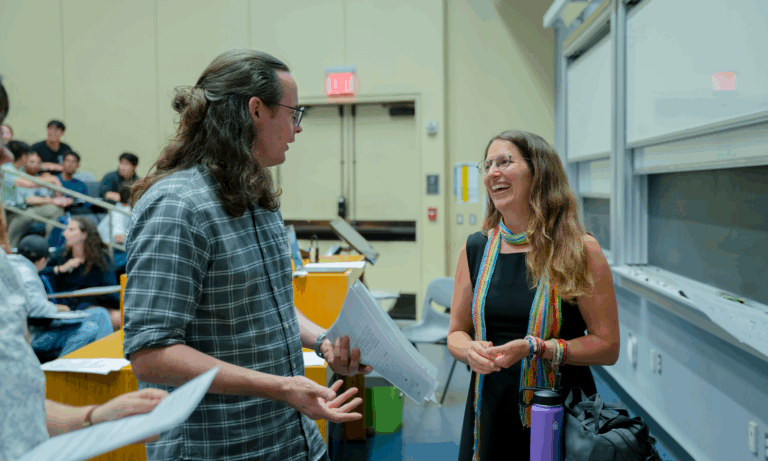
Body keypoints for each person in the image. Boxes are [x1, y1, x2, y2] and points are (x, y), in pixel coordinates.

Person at [124, 49, 371, 461]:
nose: (298, 128)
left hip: (290, 439)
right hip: (219, 447)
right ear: (257, 110)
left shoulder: (255, 194)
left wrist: (324, 343)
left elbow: (269, 308)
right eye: (295, 113)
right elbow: (152, 355)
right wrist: (281, 387)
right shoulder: (178, 206)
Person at [0, 77, 169, 461]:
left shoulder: (6, 270)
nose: (7, 157)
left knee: (95, 317)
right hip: (60, 314)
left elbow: (18, 411)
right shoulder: (49, 258)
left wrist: (99, 415)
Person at [448, 130, 620, 461]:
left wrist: (536, 348)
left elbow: (607, 345)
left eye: (505, 162)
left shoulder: (579, 249)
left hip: (557, 410)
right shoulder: (477, 248)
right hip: (490, 407)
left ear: (538, 172)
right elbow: (456, 333)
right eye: (488, 165)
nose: (492, 173)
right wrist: (469, 350)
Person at [8, 234, 113, 362]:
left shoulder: (12, 264)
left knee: (99, 314)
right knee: (89, 328)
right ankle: (58, 374)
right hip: (30, 335)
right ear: (41, 261)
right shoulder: (27, 276)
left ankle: (104, 361)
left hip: (28, 327)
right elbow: (36, 310)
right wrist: (58, 309)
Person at [42, 217, 121, 330]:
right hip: (69, 305)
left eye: (71, 230)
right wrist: (60, 269)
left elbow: (111, 291)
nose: (65, 234)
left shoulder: (101, 259)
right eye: (66, 229)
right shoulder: (60, 256)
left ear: (84, 234)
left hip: (96, 304)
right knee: (106, 316)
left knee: (122, 316)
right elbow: (37, 270)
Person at [2, 140, 71, 248]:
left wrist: (54, 198)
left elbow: (30, 194)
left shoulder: (20, 169)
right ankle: (9, 249)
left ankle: (51, 246)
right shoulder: (6, 168)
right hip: (9, 210)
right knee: (22, 220)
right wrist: (51, 180)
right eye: (30, 157)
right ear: (24, 156)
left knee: (56, 209)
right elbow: (28, 184)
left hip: (22, 208)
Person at [58, 151, 95, 217]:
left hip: (80, 211)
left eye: (73, 162)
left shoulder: (80, 185)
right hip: (62, 210)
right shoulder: (55, 180)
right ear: (62, 163)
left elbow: (85, 203)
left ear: (78, 165)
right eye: (67, 161)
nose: (70, 164)